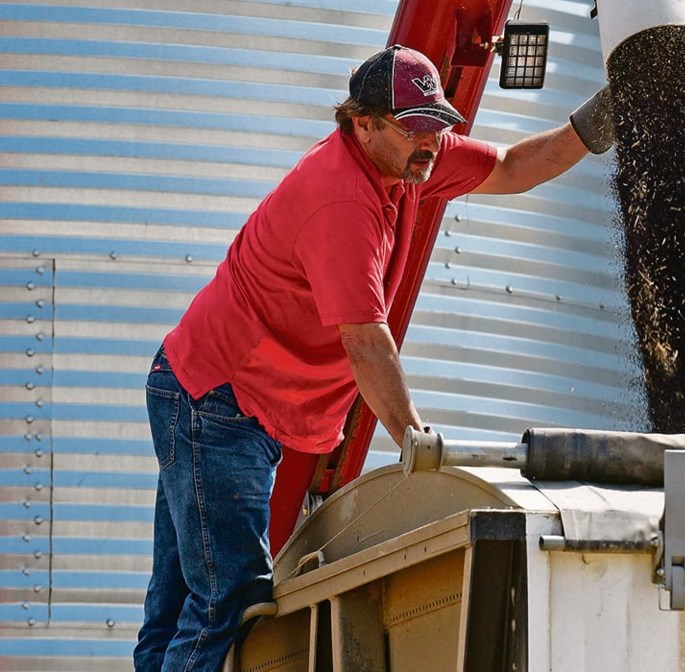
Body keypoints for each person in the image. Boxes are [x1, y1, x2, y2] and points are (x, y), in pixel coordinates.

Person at [133, 44, 612, 671]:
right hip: (218, 401)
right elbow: (364, 338)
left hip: (223, 397)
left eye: (438, 122)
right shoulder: (340, 200)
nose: (432, 141)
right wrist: (414, 437)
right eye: (414, 126)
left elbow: (515, 165)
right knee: (228, 598)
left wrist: (597, 122)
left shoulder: (410, 159)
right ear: (363, 124)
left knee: (179, 608)